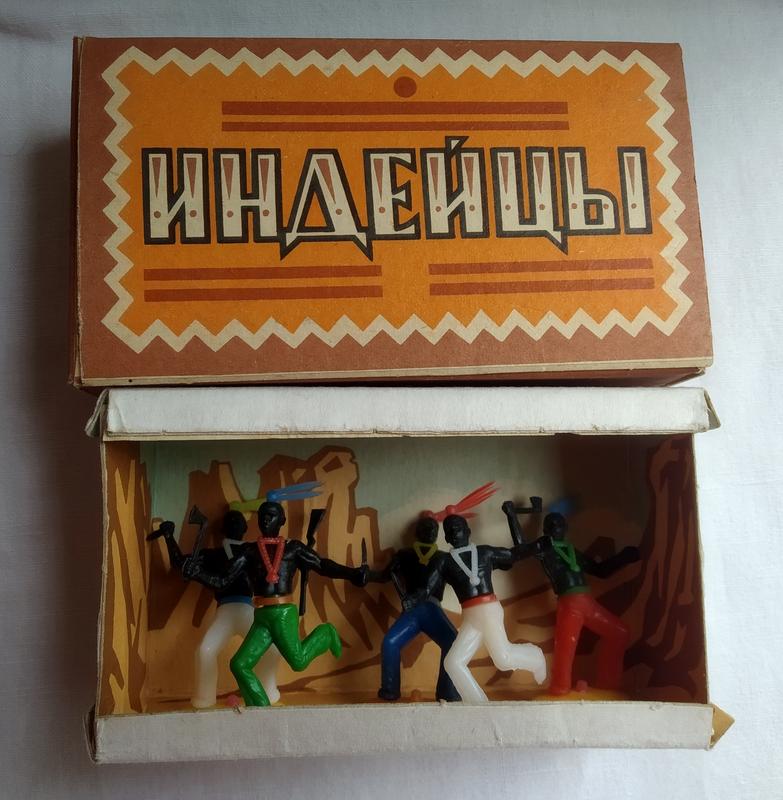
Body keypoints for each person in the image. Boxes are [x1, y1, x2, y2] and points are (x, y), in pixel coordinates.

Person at [189, 499, 368, 707]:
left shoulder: (293, 548)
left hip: (283, 614)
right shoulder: (249, 551)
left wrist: (351, 573)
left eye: (271, 516)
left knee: (298, 662)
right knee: (239, 664)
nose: (265, 520)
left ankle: (326, 634)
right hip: (261, 615)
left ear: (282, 520)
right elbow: (222, 580)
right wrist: (198, 573)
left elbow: (322, 565)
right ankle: (261, 708)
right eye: (262, 516)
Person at [418, 489, 546, 704]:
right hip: (470, 617)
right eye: (449, 530)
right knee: (453, 662)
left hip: (488, 611)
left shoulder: (484, 552)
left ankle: (535, 657)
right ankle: (479, 704)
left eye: (458, 528)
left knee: (503, 659)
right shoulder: (444, 561)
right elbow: (426, 586)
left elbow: (514, 554)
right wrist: (414, 596)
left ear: (468, 530)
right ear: (446, 537)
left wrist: (537, 544)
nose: (454, 532)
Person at [148, 510, 281, 708]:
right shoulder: (213, 555)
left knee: (272, 649)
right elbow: (179, 563)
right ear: (223, 529)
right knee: (205, 651)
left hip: (248, 609)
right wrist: (169, 536)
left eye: (238, 521)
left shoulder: (254, 553)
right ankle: (204, 699)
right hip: (225, 611)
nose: (235, 524)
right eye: (231, 522)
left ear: (246, 528)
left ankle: (268, 692)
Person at [512, 510, 639, 695]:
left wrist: (623, 558)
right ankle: (560, 687)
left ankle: (608, 683)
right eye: (551, 525)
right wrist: (512, 516)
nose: (556, 528)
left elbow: (600, 570)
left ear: (566, 528)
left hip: (586, 602)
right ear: (546, 530)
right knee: (565, 648)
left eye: (559, 524)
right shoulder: (545, 547)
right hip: (569, 604)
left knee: (619, 633)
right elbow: (521, 550)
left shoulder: (571, 550)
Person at [370, 515, 460, 702]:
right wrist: (365, 575)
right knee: (390, 642)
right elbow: (385, 575)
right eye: (426, 528)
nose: (430, 531)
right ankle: (390, 690)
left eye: (434, 529)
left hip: (432, 608)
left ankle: (447, 692)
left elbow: (460, 580)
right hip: (411, 611)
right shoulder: (404, 555)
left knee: (453, 642)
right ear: (416, 533)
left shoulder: (443, 558)